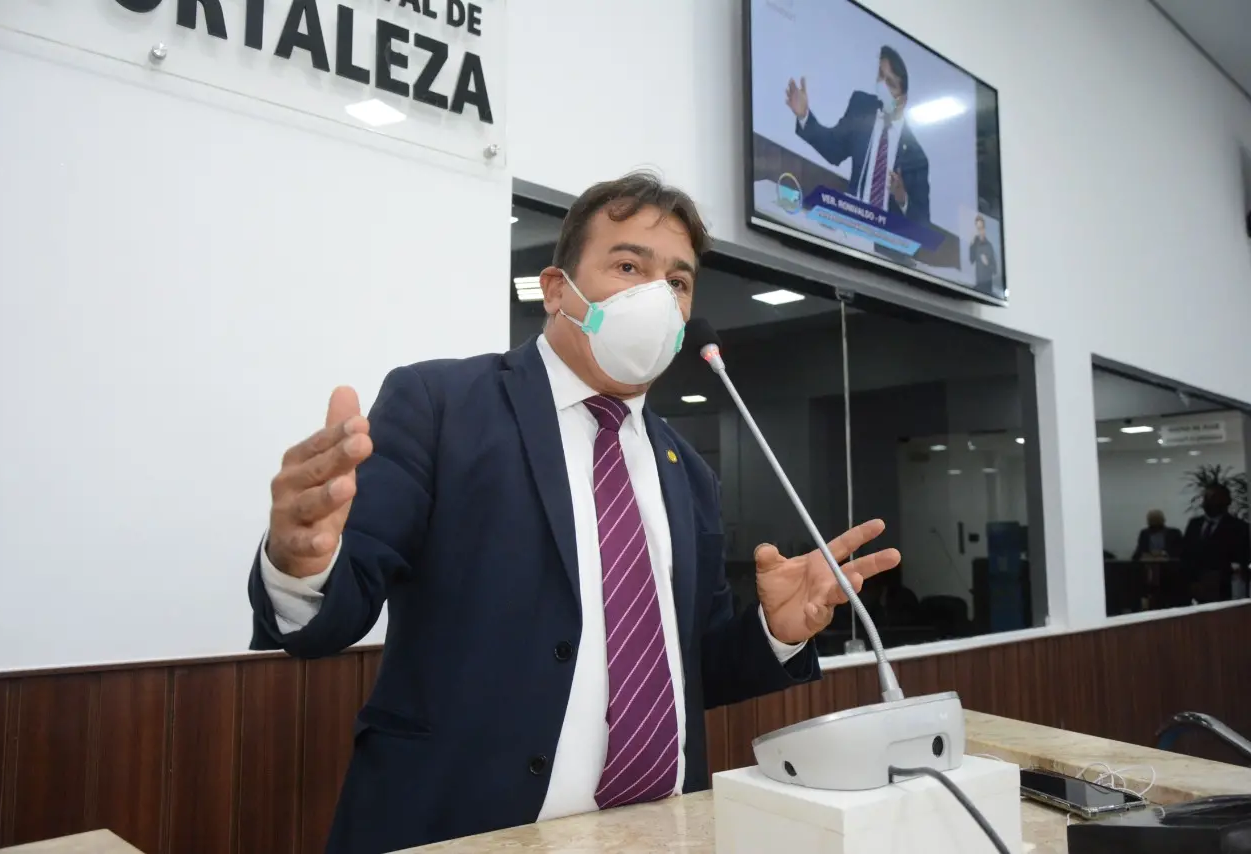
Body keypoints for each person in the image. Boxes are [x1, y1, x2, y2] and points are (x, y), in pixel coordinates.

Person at [248, 172, 900, 853]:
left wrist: (775, 631)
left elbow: (688, 669)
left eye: (677, 283)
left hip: (657, 833)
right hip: (459, 828)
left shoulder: (690, 472)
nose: (657, 296)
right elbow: (333, 617)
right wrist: (300, 562)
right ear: (557, 290)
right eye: (628, 266)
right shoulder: (441, 406)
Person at [785, 45, 930, 224]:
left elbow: (923, 223)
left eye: (890, 84)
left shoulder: (916, 156)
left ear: (903, 100)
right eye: (881, 76)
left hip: (887, 244)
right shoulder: (862, 107)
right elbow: (833, 150)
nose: (882, 86)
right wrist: (804, 115)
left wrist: (902, 199)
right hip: (850, 228)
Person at [1180, 484, 1251, 603]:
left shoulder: (1239, 527)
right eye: (1206, 497)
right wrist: (1191, 582)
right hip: (1195, 584)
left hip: (1226, 588)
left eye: (1213, 497)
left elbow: (1242, 557)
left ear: (1226, 501)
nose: (1208, 501)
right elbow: (1186, 554)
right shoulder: (1194, 524)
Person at [968, 214, 998, 293]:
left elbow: (995, 270)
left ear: (984, 228)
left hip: (987, 286)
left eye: (981, 228)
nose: (980, 231)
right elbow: (971, 260)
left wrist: (987, 263)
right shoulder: (975, 244)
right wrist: (971, 246)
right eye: (978, 229)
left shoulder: (989, 246)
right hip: (978, 284)